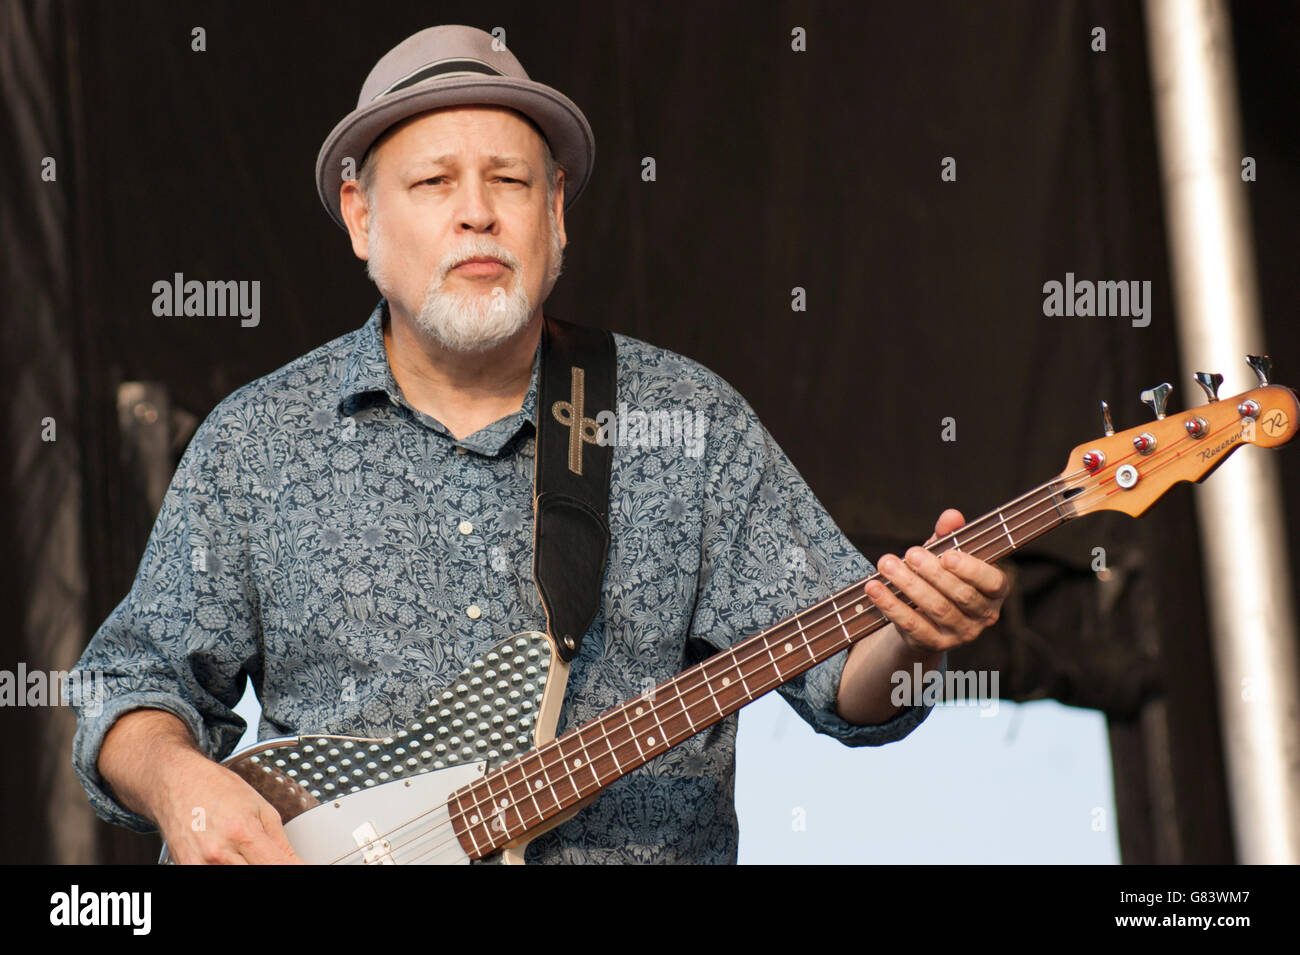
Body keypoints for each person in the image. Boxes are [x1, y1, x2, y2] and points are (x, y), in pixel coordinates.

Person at [70, 25, 1009, 864]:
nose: (477, 212)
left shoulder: (688, 422)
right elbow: (130, 683)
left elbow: (848, 684)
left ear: (555, 213)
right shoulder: (258, 444)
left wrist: (913, 637)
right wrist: (183, 786)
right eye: (435, 181)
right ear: (362, 217)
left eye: (510, 181)